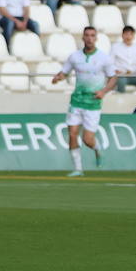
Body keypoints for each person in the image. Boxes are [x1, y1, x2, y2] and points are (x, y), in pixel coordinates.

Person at [50, 26, 116, 177]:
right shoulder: (74, 57)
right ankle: (78, 169)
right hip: (77, 101)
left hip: (93, 103)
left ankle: (97, 149)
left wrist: (103, 92)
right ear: (83, 38)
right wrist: (58, 77)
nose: (89, 38)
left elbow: (113, 78)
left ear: (96, 38)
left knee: (87, 139)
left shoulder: (104, 58)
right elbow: (64, 72)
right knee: (72, 134)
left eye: (92, 35)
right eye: (87, 35)